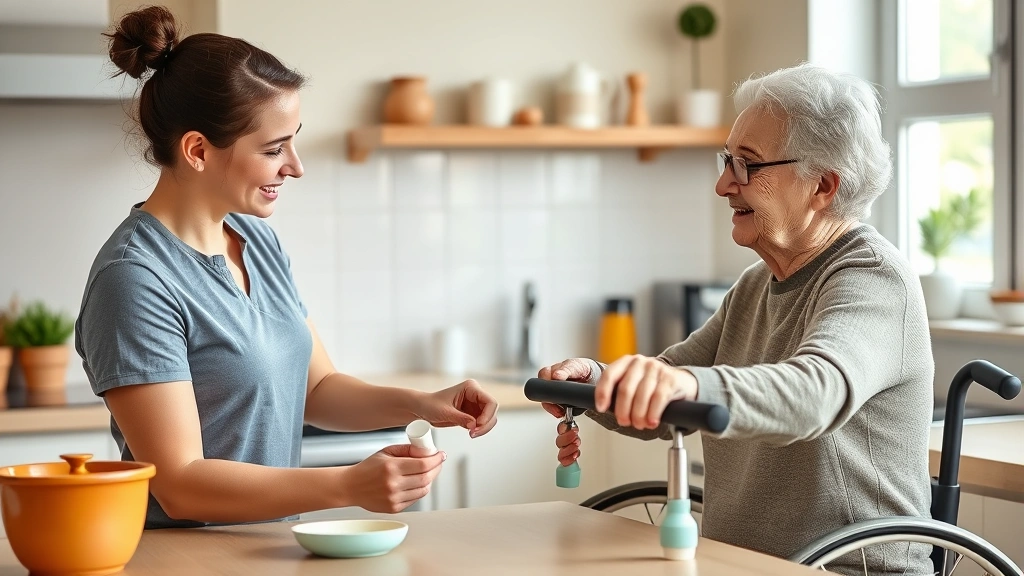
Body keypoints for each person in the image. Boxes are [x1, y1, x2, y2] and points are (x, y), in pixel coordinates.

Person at [75, 5, 498, 530]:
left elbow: (315, 391)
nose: (295, 166)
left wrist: (422, 403)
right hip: (183, 561)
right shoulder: (134, 280)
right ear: (198, 150)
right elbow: (180, 484)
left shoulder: (258, 241)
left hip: (271, 550)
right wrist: (347, 484)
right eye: (275, 148)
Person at [542, 64, 933, 576]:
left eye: (747, 165)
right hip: (741, 566)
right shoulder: (756, 284)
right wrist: (594, 380)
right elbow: (673, 388)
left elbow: (814, 392)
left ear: (822, 185)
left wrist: (677, 382)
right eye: (727, 160)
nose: (724, 184)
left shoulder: (873, 280)